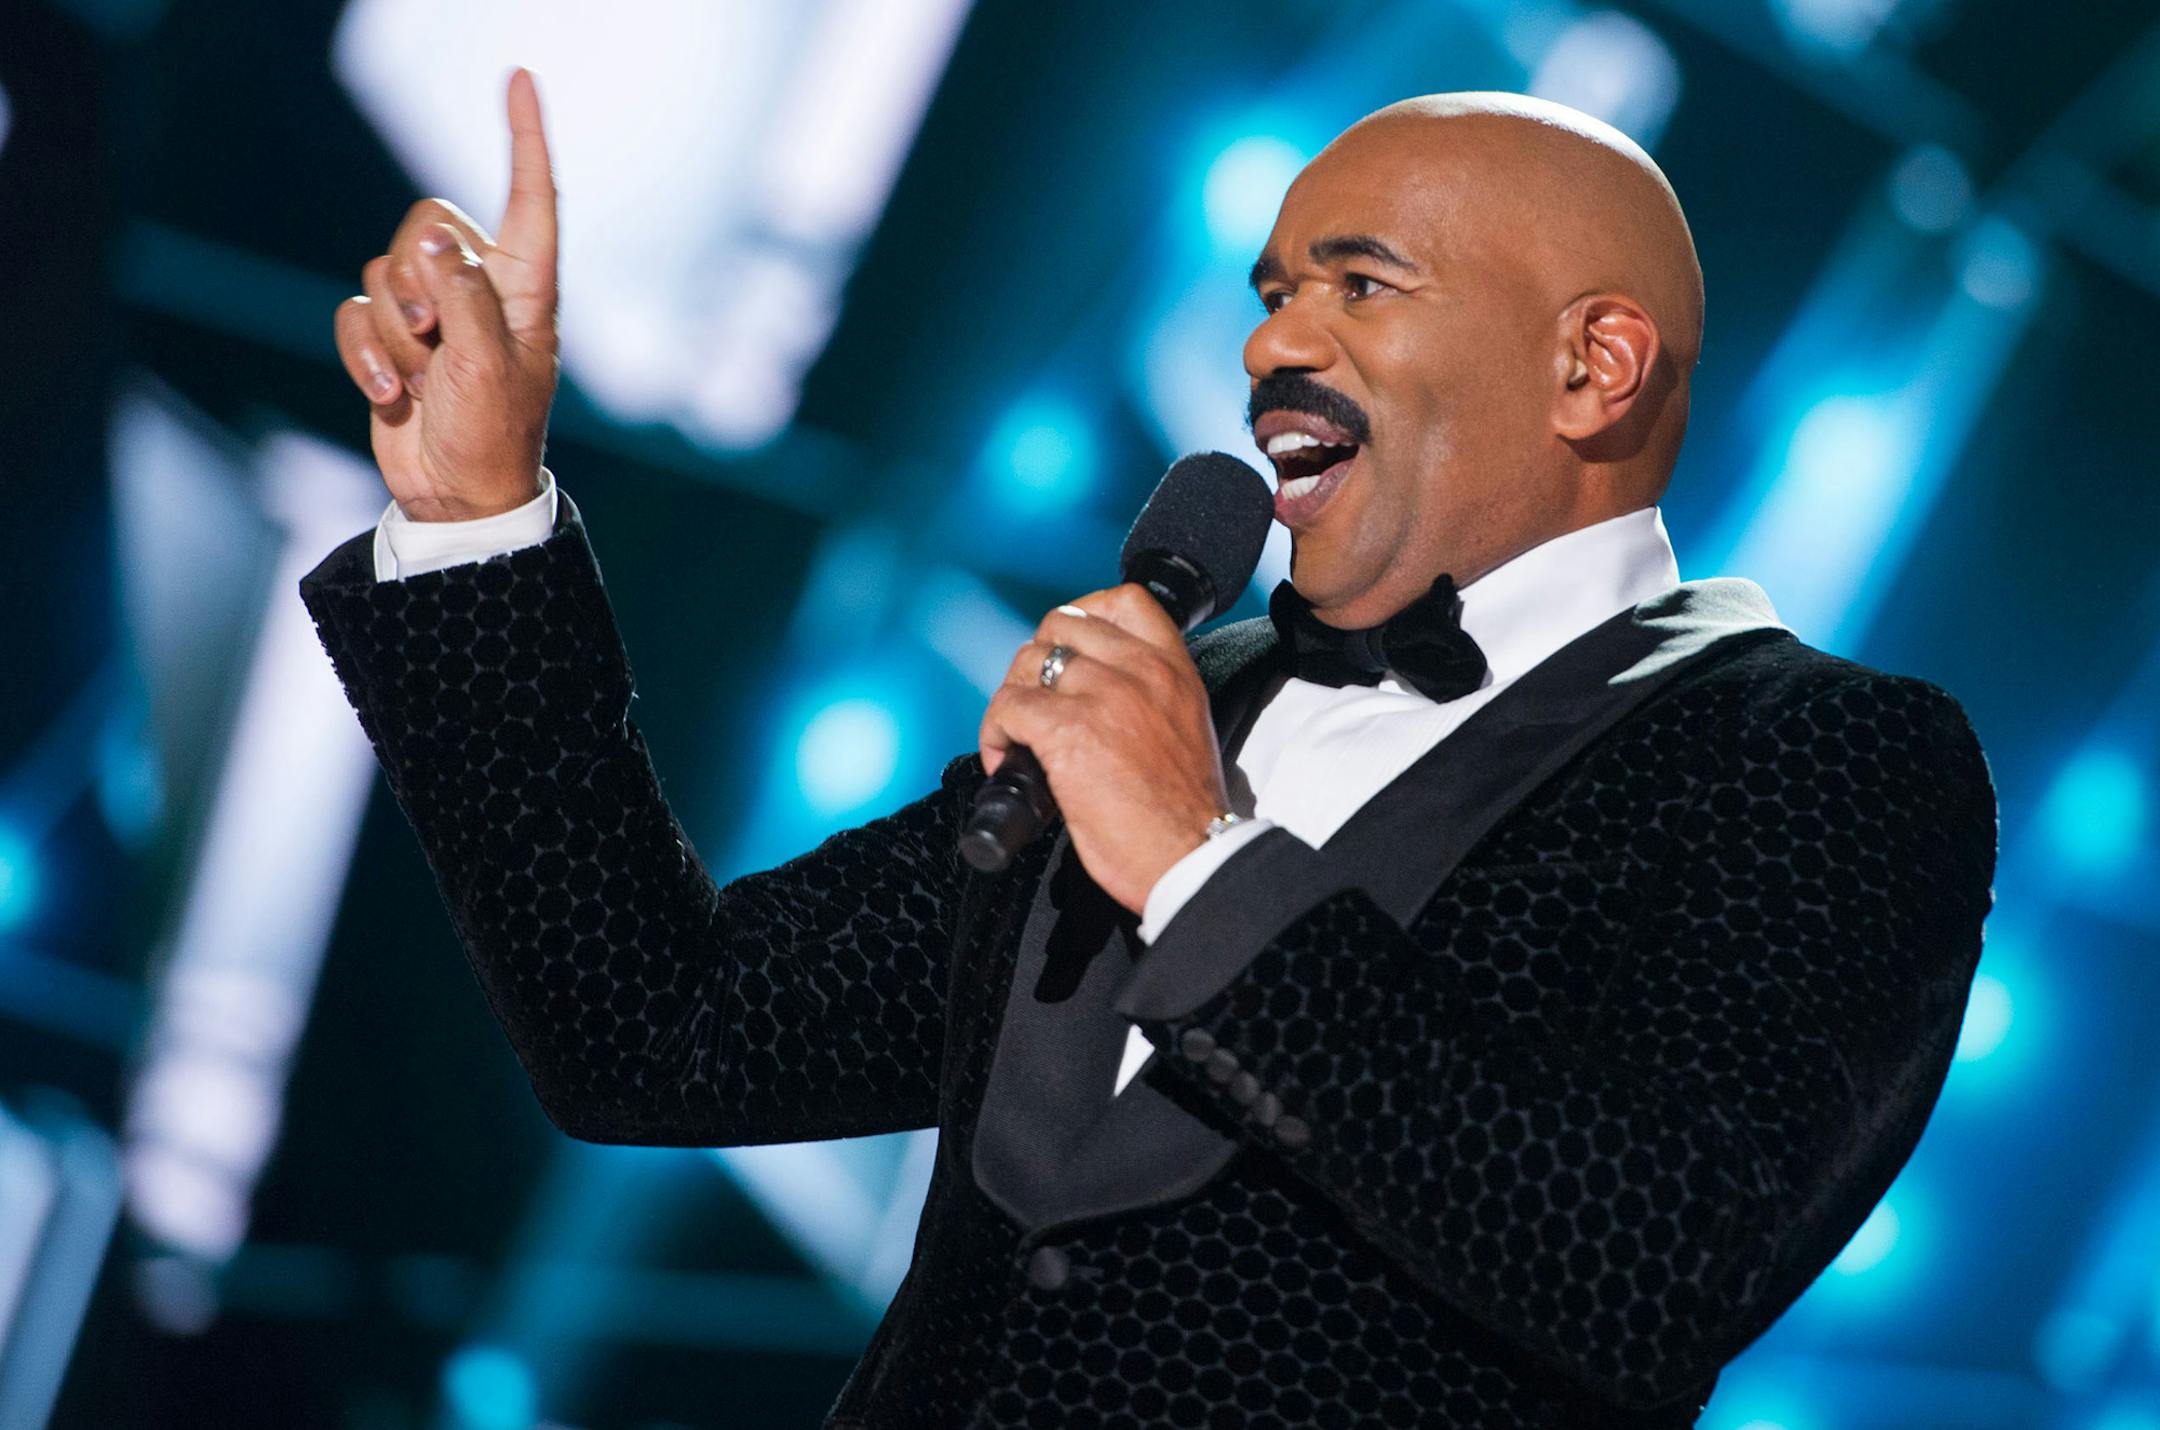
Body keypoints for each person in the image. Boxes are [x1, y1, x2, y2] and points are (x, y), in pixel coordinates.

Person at [307, 70, 1997, 1429]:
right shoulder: (1178, 692)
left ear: (1594, 365)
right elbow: (654, 1028)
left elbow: (1646, 1262)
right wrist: (478, 519)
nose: (1273, 340)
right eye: (1271, 291)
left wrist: (1201, 864)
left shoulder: (1830, 758)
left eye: (1360, 282)